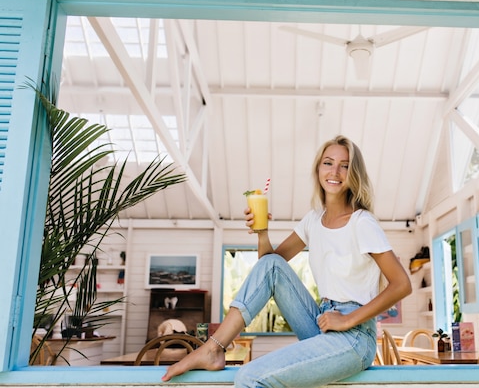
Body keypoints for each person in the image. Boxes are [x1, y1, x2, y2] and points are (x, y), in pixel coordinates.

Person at [162, 135, 412, 387]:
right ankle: (214, 348)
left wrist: (347, 319)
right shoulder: (313, 220)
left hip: (355, 336)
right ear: (318, 169)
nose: (335, 171)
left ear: (353, 173)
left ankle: (211, 350)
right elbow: (268, 269)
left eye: (345, 165)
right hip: (322, 321)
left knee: (249, 377)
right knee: (272, 264)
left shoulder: (362, 222)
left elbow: (402, 284)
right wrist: (262, 232)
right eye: (328, 163)